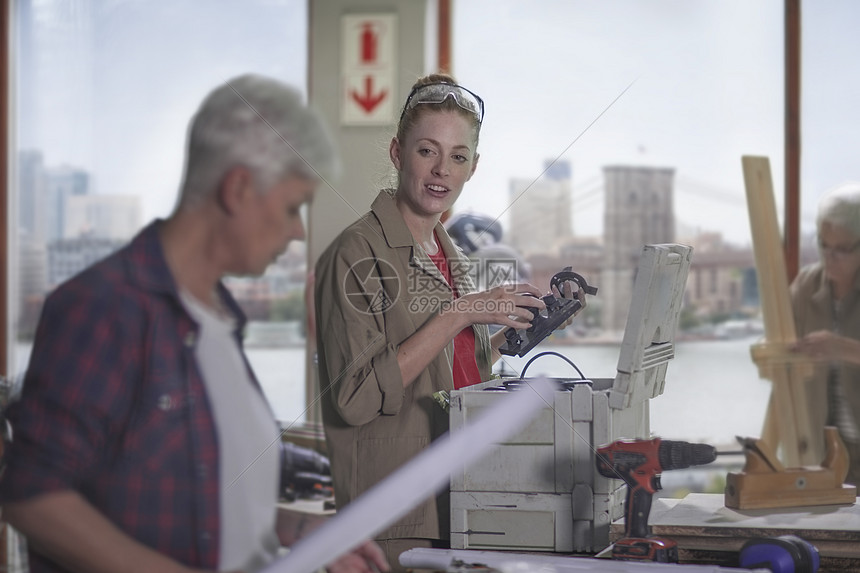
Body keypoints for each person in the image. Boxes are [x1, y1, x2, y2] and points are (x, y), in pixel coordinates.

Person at [0, 74, 388, 573]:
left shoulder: (219, 320)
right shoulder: (106, 307)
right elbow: (32, 496)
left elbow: (202, 499)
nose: (297, 231)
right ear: (239, 188)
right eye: (293, 208)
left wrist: (301, 530)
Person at [314, 73, 587, 570]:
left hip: (465, 490)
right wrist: (462, 311)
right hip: (396, 513)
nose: (442, 170)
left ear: (473, 167)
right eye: (427, 151)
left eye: (458, 157)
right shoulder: (355, 253)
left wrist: (528, 324)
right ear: (398, 153)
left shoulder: (450, 250)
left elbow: (459, 363)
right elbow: (353, 399)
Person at [790, 182, 860, 484]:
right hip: (823, 455)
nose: (830, 257)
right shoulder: (806, 285)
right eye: (824, 245)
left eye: (843, 249)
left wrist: (841, 349)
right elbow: (779, 343)